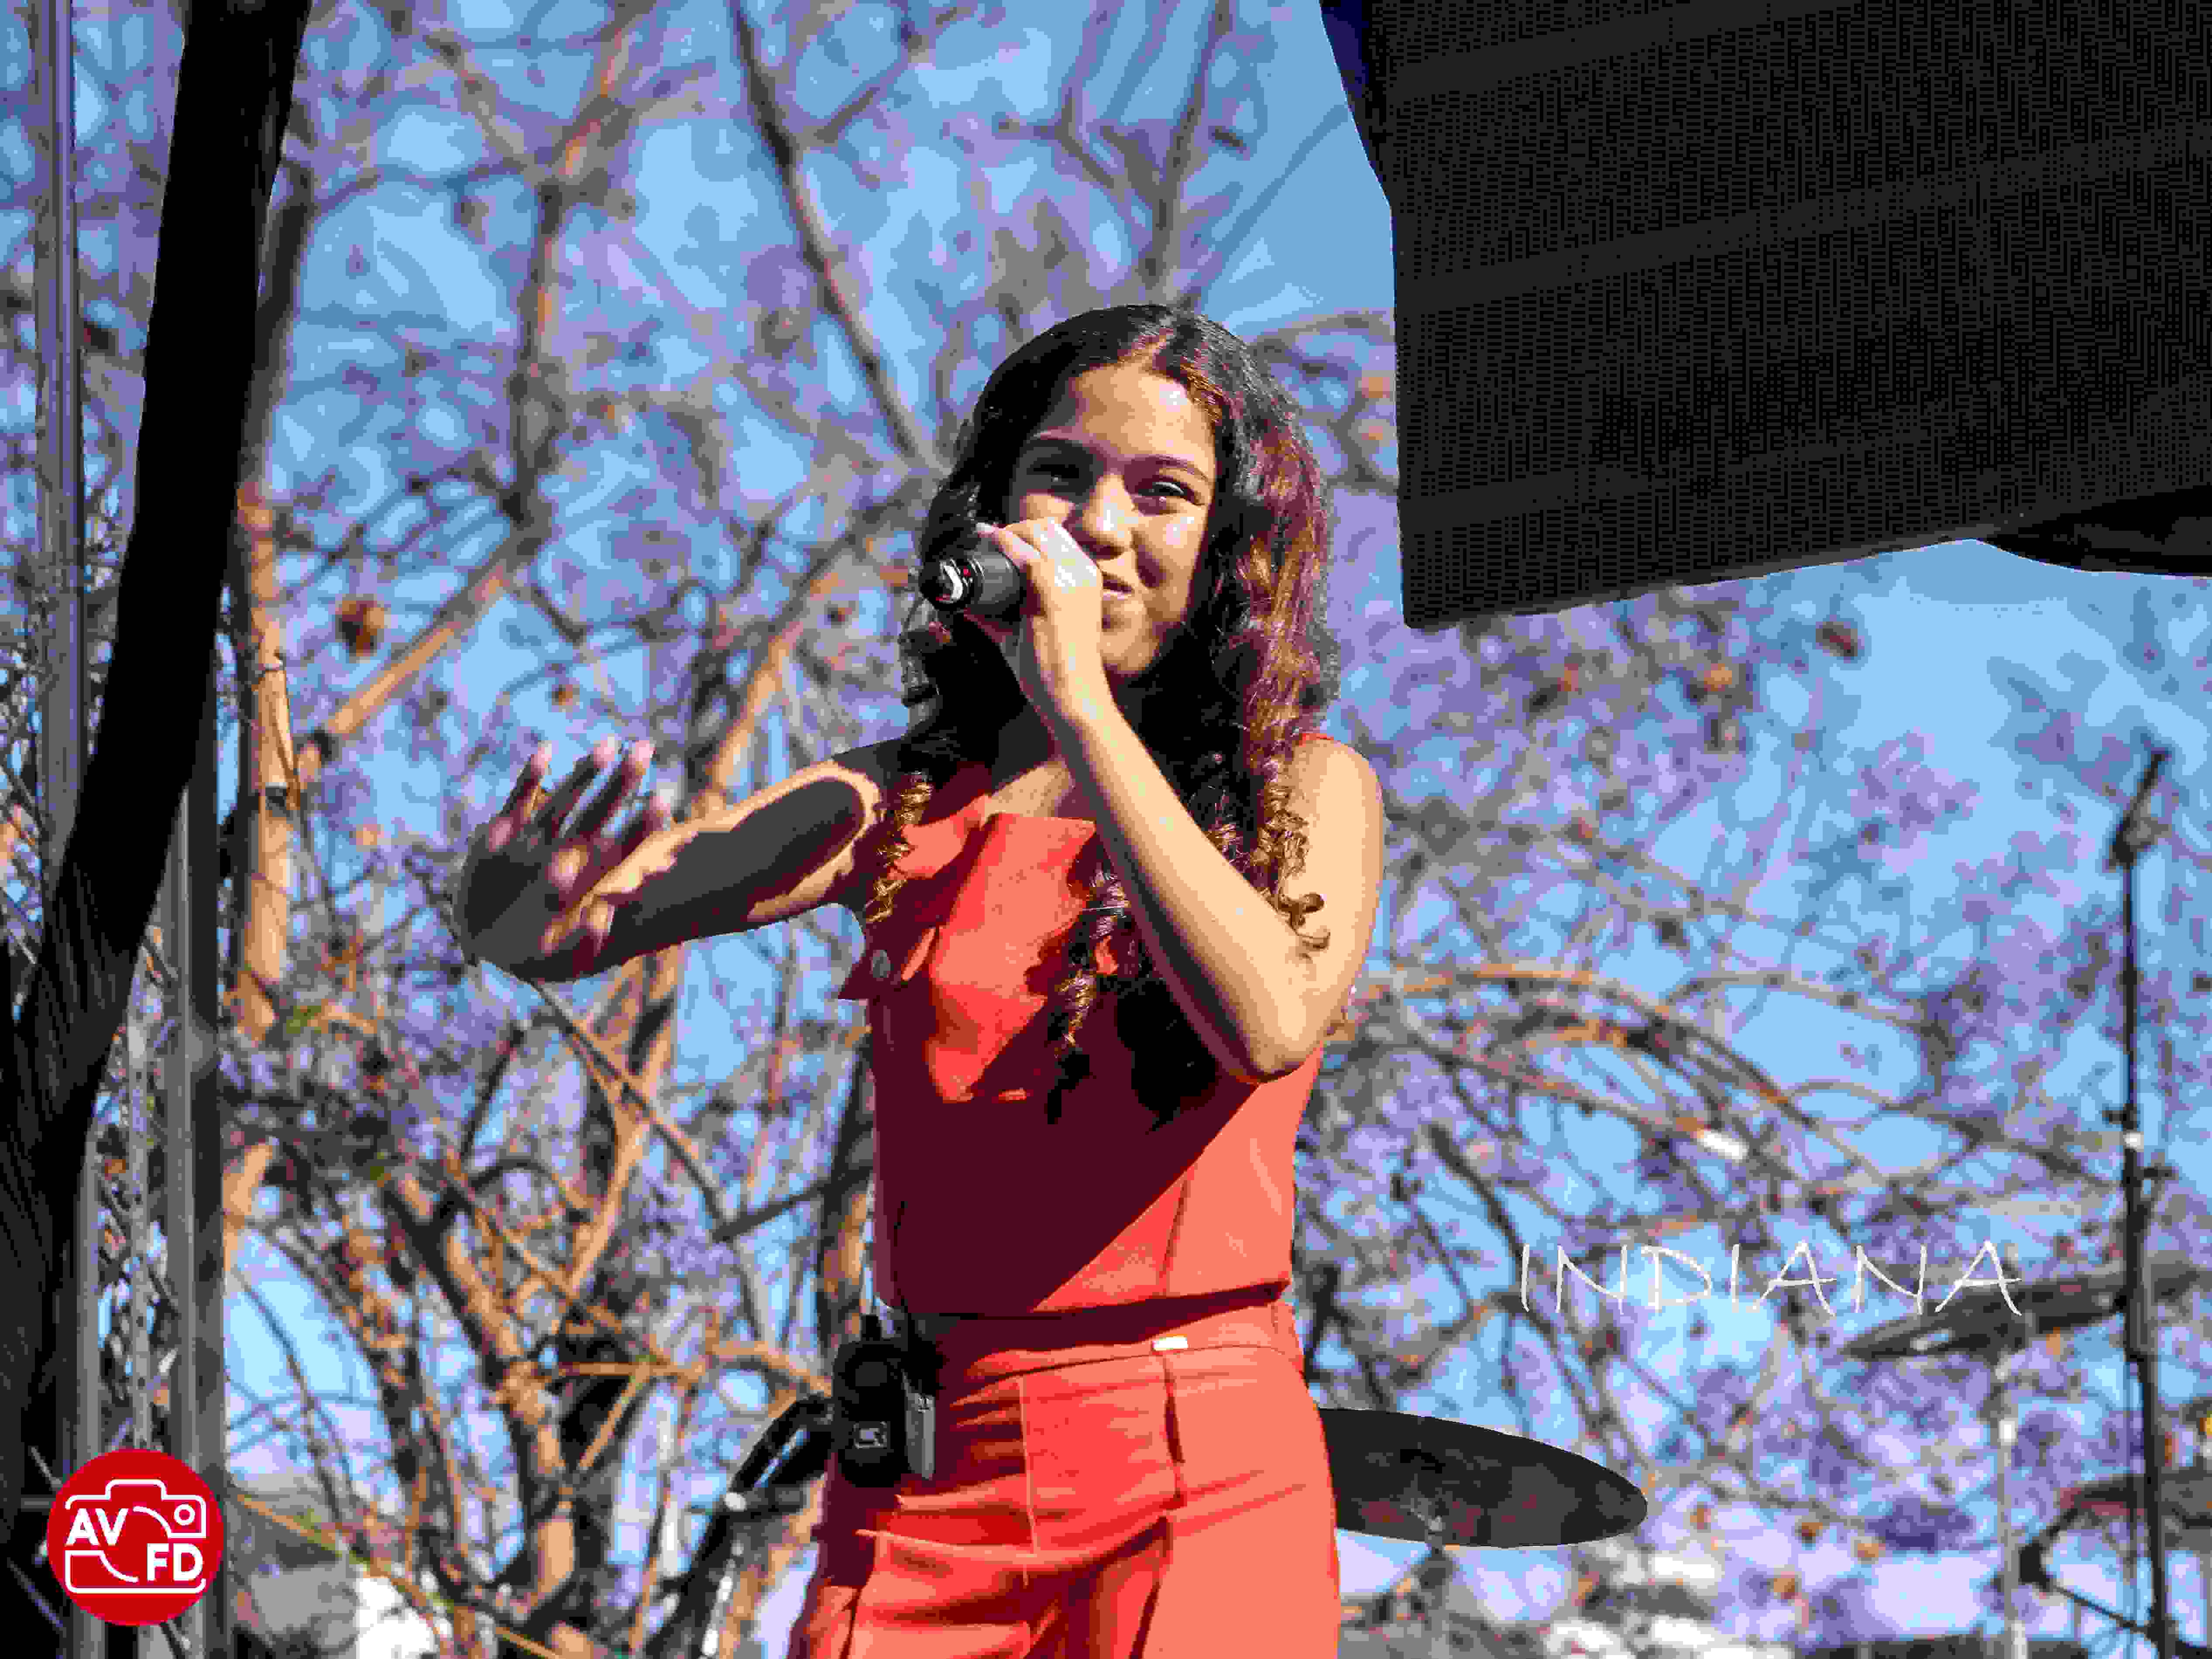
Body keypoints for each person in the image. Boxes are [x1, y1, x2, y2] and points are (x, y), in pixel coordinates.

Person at [446, 303, 1385, 1657]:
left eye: (1161, 492)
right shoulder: (895, 801)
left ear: (1229, 544)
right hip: (930, 1460)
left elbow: (1268, 1019)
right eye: (1059, 472)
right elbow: (575, 925)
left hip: (1192, 1453)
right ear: (993, 507)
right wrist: (510, 912)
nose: (1097, 525)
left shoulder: (1306, 790)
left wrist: (1077, 709)